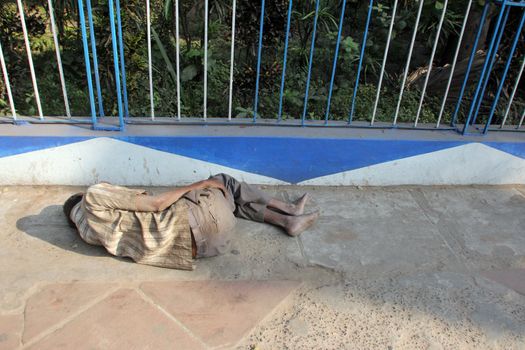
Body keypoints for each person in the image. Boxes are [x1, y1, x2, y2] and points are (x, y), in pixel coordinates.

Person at [63, 173, 319, 270]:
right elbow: (156, 204)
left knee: (229, 203)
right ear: (81, 199)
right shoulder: (95, 196)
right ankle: (288, 208)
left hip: (209, 247)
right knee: (223, 183)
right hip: (199, 220)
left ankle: (288, 222)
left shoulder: (94, 234)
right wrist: (200, 184)